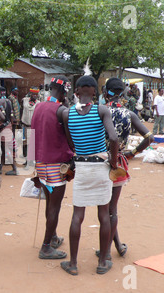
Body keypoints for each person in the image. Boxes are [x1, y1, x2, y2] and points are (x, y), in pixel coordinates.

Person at [60, 75, 119, 276]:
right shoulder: (101, 110)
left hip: (82, 167)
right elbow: (113, 137)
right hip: (101, 167)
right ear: (95, 92)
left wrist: (80, 148)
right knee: (103, 215)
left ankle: (73, 264)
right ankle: (102, 263)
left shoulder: (68, 114)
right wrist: (113, 161)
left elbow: (70, 144)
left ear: (76, 92)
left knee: (78, 216)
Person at [97, 77, 154, 261]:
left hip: (99, 162)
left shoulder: (99, 111)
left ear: (105, 93)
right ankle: (114, 247)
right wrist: (132, 152)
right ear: (124, 93)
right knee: (112, 210)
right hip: (119, 163)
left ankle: (109, 249)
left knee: (103, 210)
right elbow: (149, 137)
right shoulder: (129, 114)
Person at [30, 76, 73, 260]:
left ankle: (53, 237)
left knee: (49, 202)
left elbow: (32, 135)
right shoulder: (61, 110)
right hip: (55, 164)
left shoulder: (38, 106)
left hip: (40, 163)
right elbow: (70, 141)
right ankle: (46, 246)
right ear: (64, 92)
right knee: (54, 206)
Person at [0, 87, 18, 175]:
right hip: (8, 127)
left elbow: (3, 116)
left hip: (3, 128)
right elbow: (12, 116)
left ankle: (14, 169)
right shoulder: (9, 101)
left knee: (6, 148)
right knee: (3, 148)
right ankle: (0, 166)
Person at [21, 87, 40, 167]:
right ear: (30, 94)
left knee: (31, 144)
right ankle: (27, 159)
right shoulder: (24, 100)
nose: (34, 96)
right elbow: (21, 110)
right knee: (25, 144)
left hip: (33, 127)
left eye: (36, 94)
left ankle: (31, 161)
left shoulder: (38, 103)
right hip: (24, 125)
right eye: (33, 94)